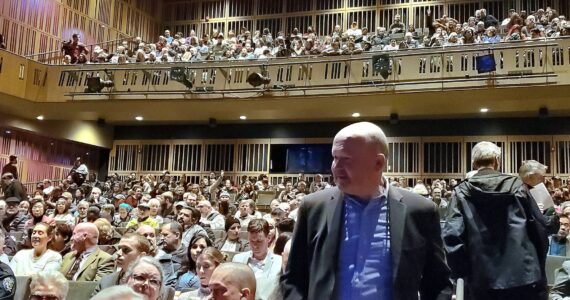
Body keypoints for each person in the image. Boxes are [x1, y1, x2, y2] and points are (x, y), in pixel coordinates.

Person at [281, 122, 452, 300]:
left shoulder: (420, 211)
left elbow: (438, 283)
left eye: (346, 159)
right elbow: (294, 280)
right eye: (334, 158)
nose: (335, 168)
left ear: (378, 163)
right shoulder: (313, 207)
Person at [443, 141, 548, 300]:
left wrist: (463, 274)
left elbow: (452, 237)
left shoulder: (460, 192)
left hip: (480, 279)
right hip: (522, 276)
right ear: (497, 160)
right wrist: (537, 266)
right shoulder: (518, 186)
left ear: (473, 163)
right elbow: (539, 228)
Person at [233, 219, 281, 300]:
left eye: (259, 241)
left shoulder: (279, 263)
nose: (255, 246)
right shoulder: (238, 260)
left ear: (268, 238)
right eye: (252, 241)